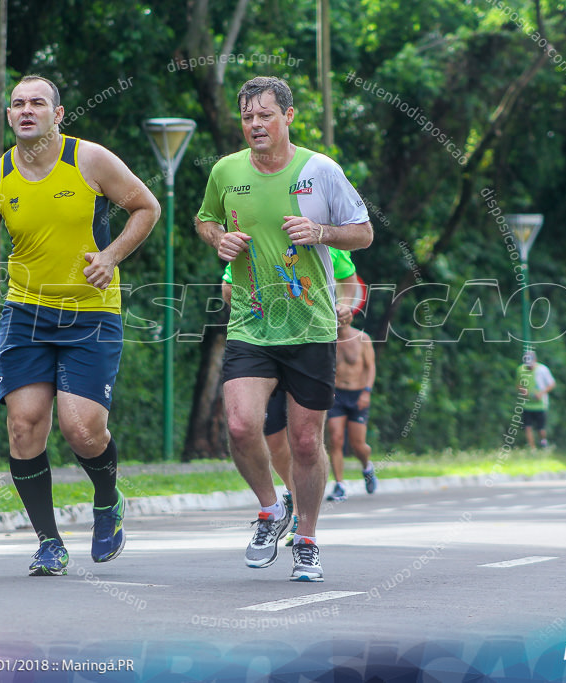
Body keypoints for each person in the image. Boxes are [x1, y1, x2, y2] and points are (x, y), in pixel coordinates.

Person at [0, 75, 160, 575]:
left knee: (82, 428)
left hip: (91, 311)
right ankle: (49, 541)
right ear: (9, 116)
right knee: (24, 427)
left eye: (38, 103)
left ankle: (107, 501)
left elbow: (146, 206)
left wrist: (110, 256)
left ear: (58, 113)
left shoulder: (88, 160)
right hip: (26, 313)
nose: (28, 110)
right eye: (19, 104)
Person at [196, 76, 373, 582]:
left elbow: (363, 232)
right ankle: (272, 509)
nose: (255, 124)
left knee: (302, 442)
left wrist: (321, 232)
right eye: (248, 116)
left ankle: (309, 539)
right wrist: (219, 240)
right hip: (252, 322)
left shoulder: (320, 171)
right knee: (239, 425)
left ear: (288, 116)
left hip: (311, 325)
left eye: (265, 115)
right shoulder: (226, 170)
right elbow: (205, 219)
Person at [221, 248, 363, 541]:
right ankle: (286, 500)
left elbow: (351, 284)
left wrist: (346, 305)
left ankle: (302, 521)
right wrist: (257, 309)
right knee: (266, 436)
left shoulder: (327, 241)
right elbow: (228, 286)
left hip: (310, 342)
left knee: (306, 440)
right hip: (260, 343)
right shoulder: (254, 237)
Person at [326, 316, 377, 502]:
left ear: (349, 316)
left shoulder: (362, 338)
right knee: (336, 439)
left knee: (358, 445)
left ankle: (367, 467)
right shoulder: (328, 340)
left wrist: (367, 391)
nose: (338, 319)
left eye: (341, 315)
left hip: (358, 395)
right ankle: (339, 485)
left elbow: (371, 367)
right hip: (337, 395)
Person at [516, 351, 556, 448]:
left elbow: (552, 384)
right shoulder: (520, 370)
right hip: (527, 404)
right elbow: (518, 385)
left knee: (540, 429)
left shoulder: (542, 370)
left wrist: (541, 393)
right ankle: (532, 449)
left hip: (540, 404)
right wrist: (523, 391)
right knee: (527, 427)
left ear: (535, 360)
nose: (529, 367)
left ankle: (543, 442)